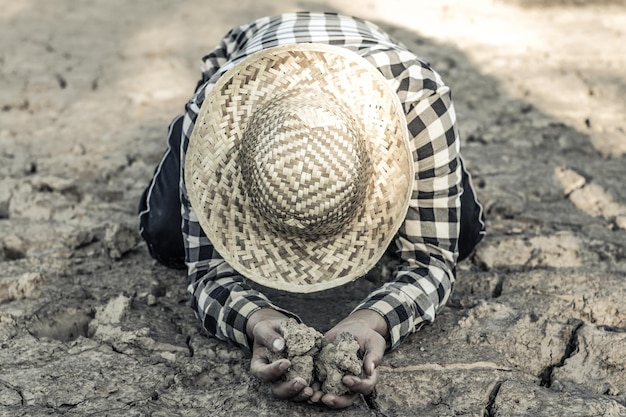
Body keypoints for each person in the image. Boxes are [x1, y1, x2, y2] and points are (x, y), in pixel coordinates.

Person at [138, 11, 485, 409]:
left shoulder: (418, 100)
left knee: (462, 236)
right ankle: (176, 152)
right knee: (166, 236)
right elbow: (207, 272)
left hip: (376, 60)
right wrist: (256, 320)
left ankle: (438, 172)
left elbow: (432, 261)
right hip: (245, 55)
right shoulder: (213, 107)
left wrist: (372, 322)